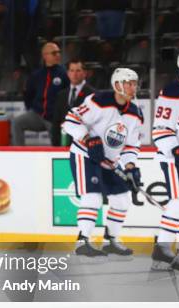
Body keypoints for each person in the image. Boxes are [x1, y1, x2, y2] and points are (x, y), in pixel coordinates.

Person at [62, 68, 144, 260]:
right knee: (92, 197)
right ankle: (82, 242)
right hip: (85, 156)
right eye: (129, 83)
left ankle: (111, 241)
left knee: (122, 199)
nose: (133, 87)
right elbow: (70, 121)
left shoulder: (136, 113)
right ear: (117, 84)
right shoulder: (98, 101)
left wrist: (130, 166)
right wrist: (89, 138)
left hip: (110, 163)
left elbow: (131, 146)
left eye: (135, 83)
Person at [152, 49, 179, 271]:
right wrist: (177, 149)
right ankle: (165, 246)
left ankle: (163, 246)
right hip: (175, 157)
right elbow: (160, 129)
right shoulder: (173, 91)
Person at [11, 42, 68, 145]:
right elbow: (28, 94)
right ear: (45, 55)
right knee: (16, 122)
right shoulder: (37, 74)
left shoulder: (64, 73)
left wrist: (60, 116)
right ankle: (19, 154)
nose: (58, 55)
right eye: (54, 53)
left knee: (57, 142)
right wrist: (31, 109)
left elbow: (67, 96)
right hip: (37, 114)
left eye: (59, 52)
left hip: (54, 118)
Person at [51, 59, 95, 146]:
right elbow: (56, 122)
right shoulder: (61, 95)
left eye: (78, 70)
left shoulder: (92, 94)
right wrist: (55, 146)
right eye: (72, 70)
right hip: (63, 144)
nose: (74, 74)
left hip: (84, 145)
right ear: (68, 73)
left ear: (85, 73)